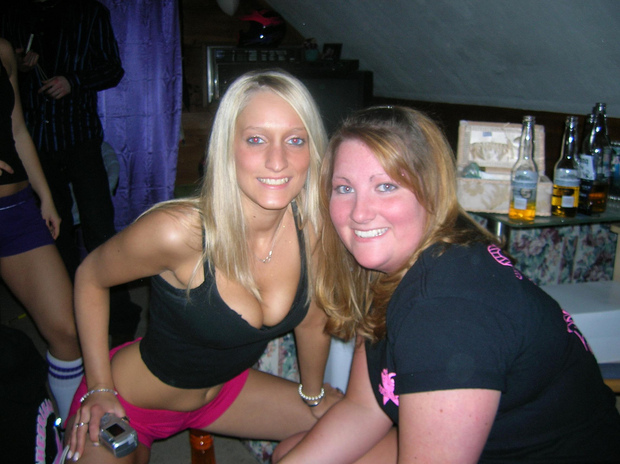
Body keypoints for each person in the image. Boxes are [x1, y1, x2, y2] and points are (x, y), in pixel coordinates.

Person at [274, 106, 620, 463]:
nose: (359, 212)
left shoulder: (445, 308)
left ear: (432, 191)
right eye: (344, 188)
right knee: (289, 454)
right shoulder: (393, 266)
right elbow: (365, 407)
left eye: (386, 186)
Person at [64, 70, 342, 463]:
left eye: (295, 140)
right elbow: (90, 276)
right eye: (256, 139)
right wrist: (99, 387)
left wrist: (313, 395)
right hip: (131, 402)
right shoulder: (179, 232)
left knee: (348, 426)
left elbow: (312, 323)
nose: (277, 160)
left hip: (226, 393)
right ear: (227, 146)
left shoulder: (312, 230)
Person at [0, 0, 141, 345]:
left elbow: (113, 69)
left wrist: (72, 81)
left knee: (100, 233)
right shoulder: (15, 14)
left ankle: (120, 319)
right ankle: (73, 314)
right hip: (37, 141)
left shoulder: (91, 12)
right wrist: (22, 64)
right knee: (55, 236)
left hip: (80, 138)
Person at [0, 37, 82, 424]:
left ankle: (70, 435)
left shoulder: (3, 50)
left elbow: (16, 129)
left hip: (15, 208)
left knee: (66, 329)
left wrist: (44, 196)